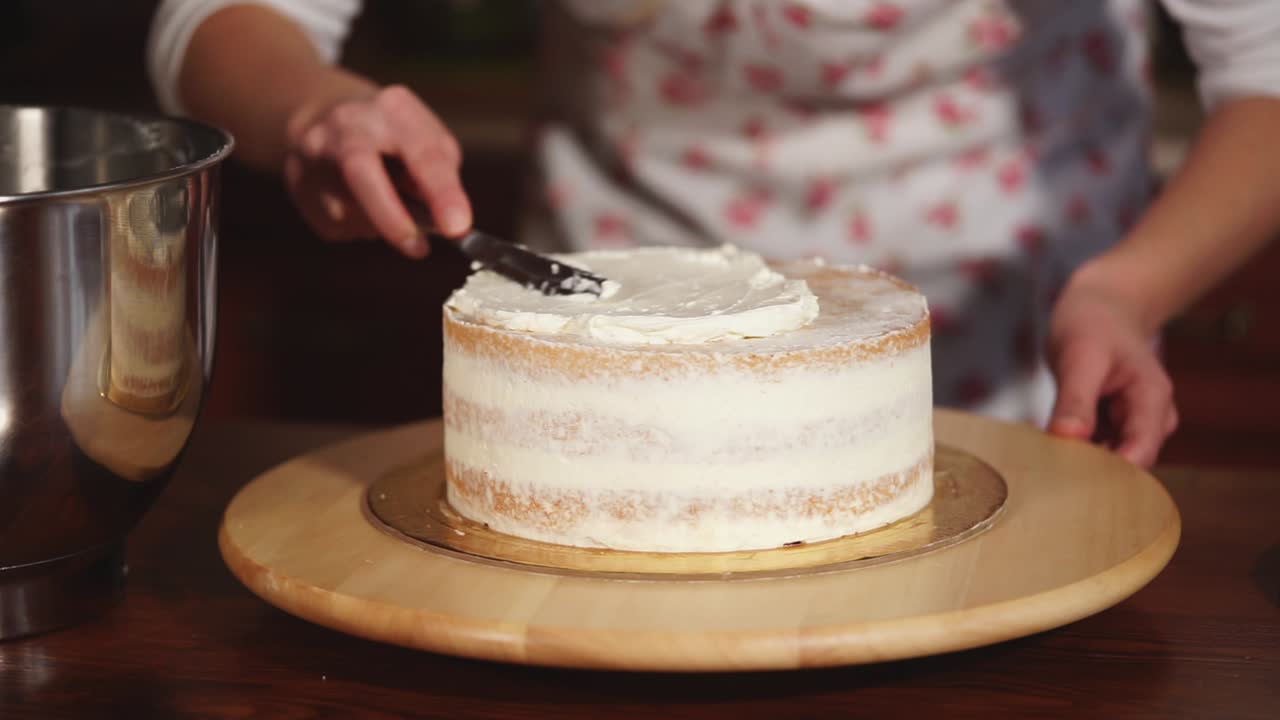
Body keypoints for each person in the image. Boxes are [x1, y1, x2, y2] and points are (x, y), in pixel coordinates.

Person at [147, 0, 1280, 468]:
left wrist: (1128, 291)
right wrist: (309, 110)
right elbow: (224, 19)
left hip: (1007, 316)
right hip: (611, 299)